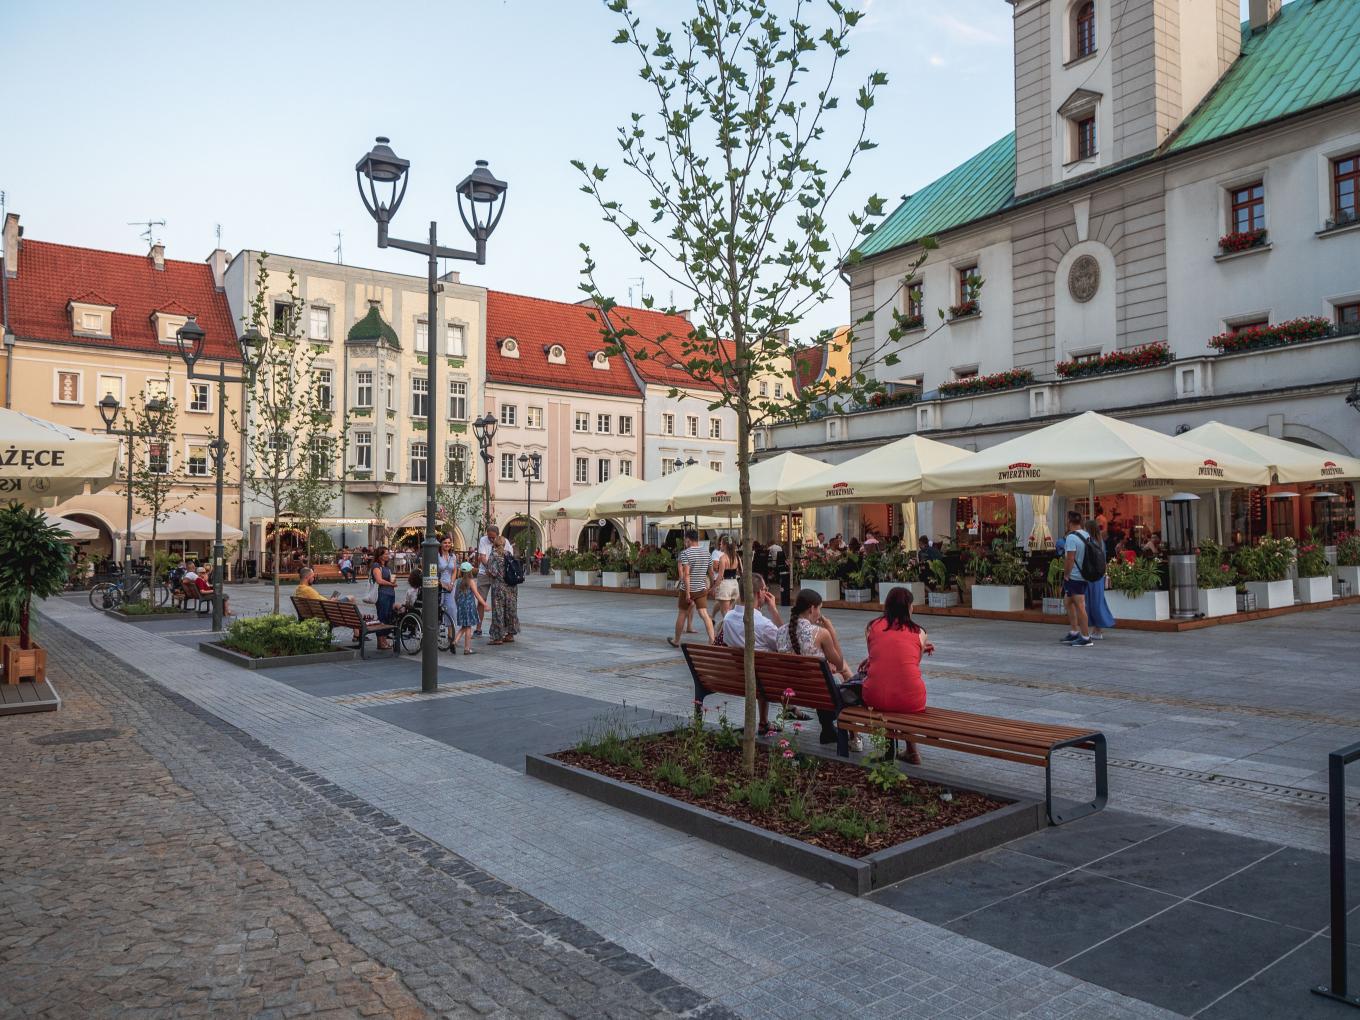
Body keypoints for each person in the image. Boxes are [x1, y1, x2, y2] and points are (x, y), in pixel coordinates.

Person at [862, 587, 932, 763]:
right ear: (909, 607)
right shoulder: (920, 632)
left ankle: (889, 752)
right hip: (911, 699)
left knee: (887, 684)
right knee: (903, 687)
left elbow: (879, 655)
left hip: (875, 697)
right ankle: (911, 751)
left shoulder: (872, 627)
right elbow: (911, 664)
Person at [776, 588, 853, 745]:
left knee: (825, 679)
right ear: (812, 608)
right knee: (839, 675)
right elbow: (838, 664)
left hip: (794, 691)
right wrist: (831, 630)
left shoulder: (780, 631)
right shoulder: (820, 633)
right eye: (820, 608)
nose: (819, 613)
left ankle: (828, 729)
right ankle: (841, 732)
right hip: (821, 692)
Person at [722, 574, 783, 734]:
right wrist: (774, 611)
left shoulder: (727, 618)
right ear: (757, 594)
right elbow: (785, 644)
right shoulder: (764, 625)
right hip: (767, 680)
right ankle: (789, 710)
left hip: (738, 677)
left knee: (759, 666)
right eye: (765, 589)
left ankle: (763, 721)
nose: (767, 593)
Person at [669, 529, 715, 646]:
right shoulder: (707, 553)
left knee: (682, 614)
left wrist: (688, 593)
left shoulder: (686, 553)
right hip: (701, 588)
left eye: (686, 540)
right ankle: (712, 640)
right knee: (704, 614)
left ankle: (677, 640)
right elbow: (711, 572)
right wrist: (713, 587)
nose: (685, 542)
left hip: (687, 590)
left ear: (688, 540)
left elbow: (686, 574)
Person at [1060, 511, 1094, 647]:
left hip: (1075, 576)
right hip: (1083, 574)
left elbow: (1070, 558)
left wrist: (1066, 574)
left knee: (1080, 605)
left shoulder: (1071, 538)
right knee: (1068, 601)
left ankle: (1086, 637)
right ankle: (1074, 632)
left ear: (1069, 522)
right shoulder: (1086, 535)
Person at [476, 525, 512, 636]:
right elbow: (482, 557)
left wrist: (495, 570)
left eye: (493, 538)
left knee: (500, 603)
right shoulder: (483, 540)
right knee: (481, 600)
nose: (491, 540)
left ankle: (501, 630)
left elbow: (509, 558)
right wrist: (491, 568)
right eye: (489, 537)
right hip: (484, 573)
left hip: (499, 576)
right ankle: (478, 628)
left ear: (498, 535)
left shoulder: (505, 542)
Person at [485, 534, 520, 644]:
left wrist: (488, 572)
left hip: (499, 587)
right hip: (511, 587)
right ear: (504, 544)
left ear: (494, 544)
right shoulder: (508, 554)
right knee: (510, 610)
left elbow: (493, 572)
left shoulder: (493, 555)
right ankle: (510, 635)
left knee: (498, 611)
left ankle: (498, 637)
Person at [1084, 519, 1116, 640]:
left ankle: (1097, 629)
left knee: (1092, 602)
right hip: (1099, 574)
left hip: (1091, 575)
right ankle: (1097, 628)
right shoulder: (1100, 541)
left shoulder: (1090, 542)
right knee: (1097, 601)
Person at [450, 562, 487, 654]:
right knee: (468, 627)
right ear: (470, 571)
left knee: (464, 626)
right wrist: (484, 604)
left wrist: (457, 604)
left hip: (461, 607)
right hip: (469, 607)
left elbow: (455, 596)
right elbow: (477, 595)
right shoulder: (471, 581)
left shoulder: (458, 581)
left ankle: (454, 642)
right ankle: (467, 649)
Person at [369, 546, 397, 649]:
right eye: (385, 554)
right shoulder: (376, 566)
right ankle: (381, 642)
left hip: (390, 594)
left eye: (388, 553)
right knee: (382, 617)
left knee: (388, 617)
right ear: (380, 555)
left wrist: (393, 582)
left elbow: (388, 580)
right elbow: (379, 580)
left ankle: (384, 641)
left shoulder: (387, 567)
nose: (387, 555)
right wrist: (391, 584)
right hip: (382, 594)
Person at [713, 538, 740, 621]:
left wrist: (714, 587)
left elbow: (720, 575)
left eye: (721, 544)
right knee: (730, 610)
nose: (720, 546)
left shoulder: (723, 558)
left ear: (725, 545)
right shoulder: (736, 557)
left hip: (725, 584)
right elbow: (739, 571)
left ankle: (728, 630)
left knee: (725, 612)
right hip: (735, 583)